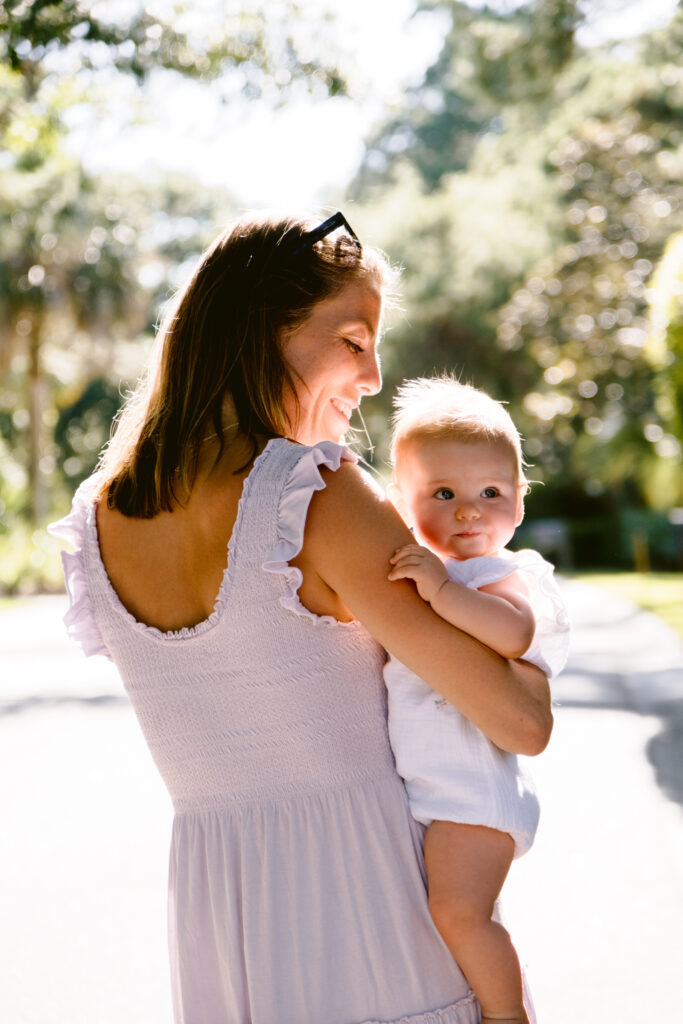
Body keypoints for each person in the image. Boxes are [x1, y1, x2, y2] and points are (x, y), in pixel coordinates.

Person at [49, 212, 553, 1024]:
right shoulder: (310, 492)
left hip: (225, 933)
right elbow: (520, 723)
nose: (374, 376)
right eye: (353, 342)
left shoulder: (98, 518)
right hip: (373, 923)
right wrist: (531, 640)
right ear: (264, 331)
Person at [384, 376, 570, 1024]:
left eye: (489, 493)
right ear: (400, 502)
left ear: (518, 503)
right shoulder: (426, 566)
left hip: (472, 795)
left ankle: (504, 1014)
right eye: (443, 493)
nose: (468, 511)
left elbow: (511, 630)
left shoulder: (494, 573)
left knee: (458, 913)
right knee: (453, 915)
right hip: (439, 790)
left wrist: (439, 592)